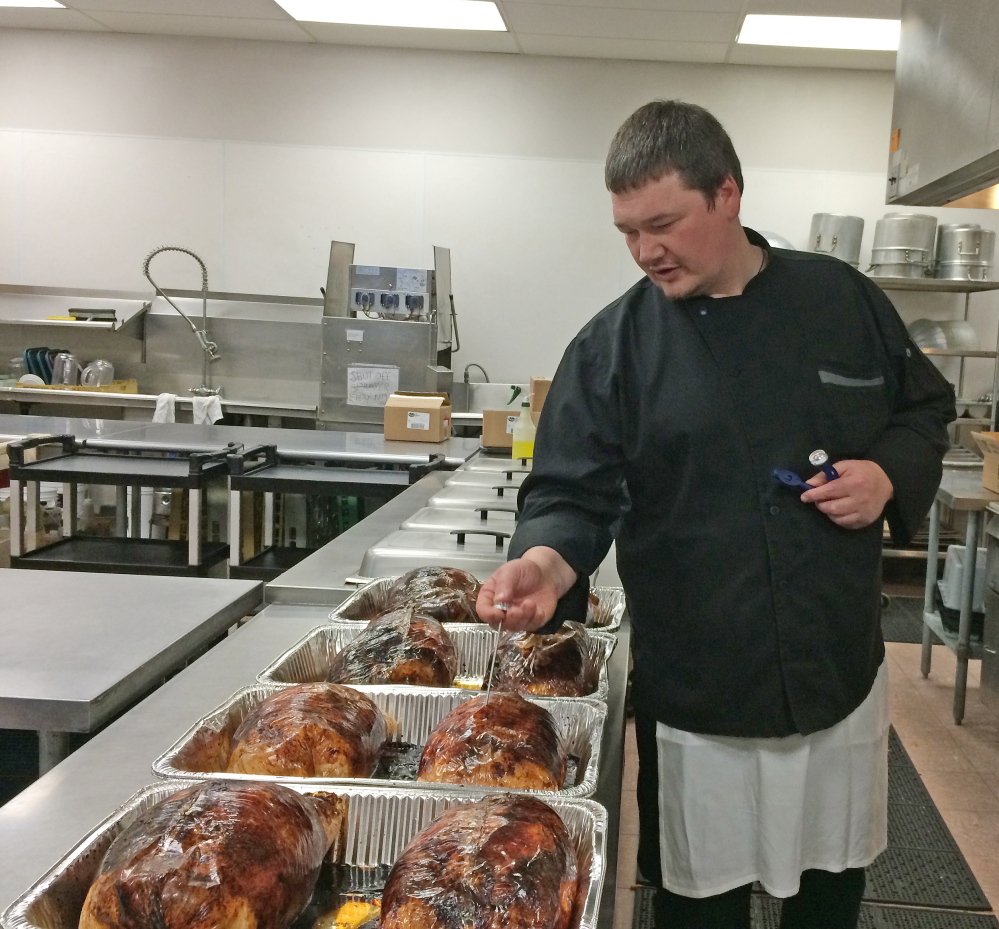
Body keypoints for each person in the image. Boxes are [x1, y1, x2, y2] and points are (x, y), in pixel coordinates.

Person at [475, 100, 955, 929]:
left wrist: (883, 475)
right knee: (699, 907)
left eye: (662, 223)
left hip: (833, 667)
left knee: (828, 894)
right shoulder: (612, 349)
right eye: (626, 230)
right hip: (698, 695)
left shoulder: (840, 300)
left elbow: (922, 410)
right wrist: (543, 561)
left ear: (726, 194)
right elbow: (570, 493)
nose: (643, 250)